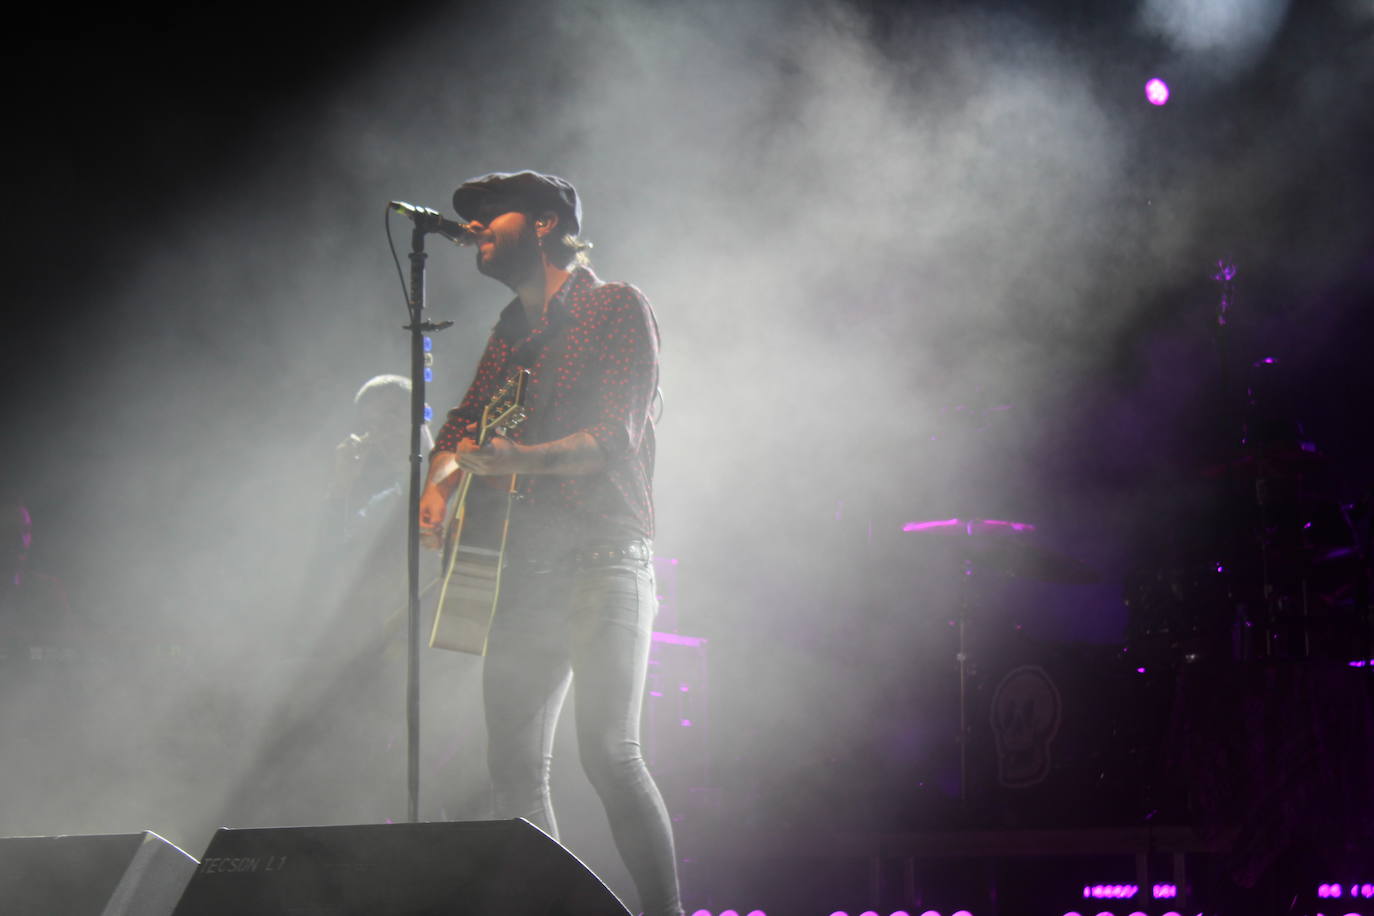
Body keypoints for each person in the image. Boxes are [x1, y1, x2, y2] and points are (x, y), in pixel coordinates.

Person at [418, 170, 681, 916]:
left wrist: (518, 462)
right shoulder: (511, 331)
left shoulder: (614, 307)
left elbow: (614, 436)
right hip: (522, 570)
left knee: (608, 752)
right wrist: (438, 484)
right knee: (512, 771)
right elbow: (465, 422)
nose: (473, 229)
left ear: (540, 224)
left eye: (487, 217)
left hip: (605, 555)